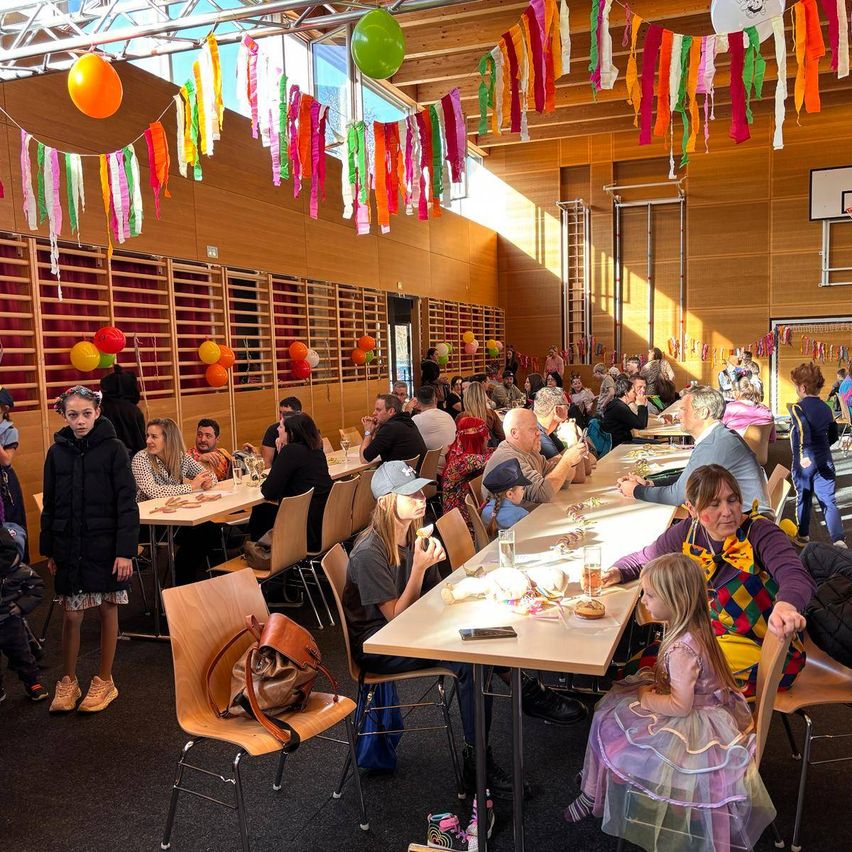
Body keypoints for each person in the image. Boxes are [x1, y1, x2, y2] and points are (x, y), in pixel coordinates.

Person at [564, 553, 776, 852]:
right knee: (612, 707)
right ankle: (593, 787)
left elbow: (680, 706)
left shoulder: (682, 649)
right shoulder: (695, 628)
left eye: (650, 594)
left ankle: (593, 792)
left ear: (675, 601)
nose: (644, 600)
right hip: (710, 707)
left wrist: (646, 698)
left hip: (693, 722)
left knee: (607, 719)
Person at [342, 461, 513, 796]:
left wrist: (442, 576)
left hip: (410, 630)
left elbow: (433, 597)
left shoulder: (412, 535)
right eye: (410, 493)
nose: (421, 497)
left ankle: (523, 691)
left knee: (487, 639)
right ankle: (476, 763)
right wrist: (420, 569)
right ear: (386, 502)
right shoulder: (369, 552)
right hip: (379, 647)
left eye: (420, 489)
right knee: (471, 661)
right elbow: (394, 619)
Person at [607, 464, 814, 698]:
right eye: (714, 504)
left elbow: (795, 574)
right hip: (713, 637)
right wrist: (616, 571)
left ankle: (697, 730)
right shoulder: (688, 532)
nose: (727, 511)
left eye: (732, 500)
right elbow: (646, 557)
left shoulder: (759, 532)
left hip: (765, 647)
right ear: (692, 509)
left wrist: (786, 605)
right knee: (638, 666)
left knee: (664, 674)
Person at [41, 386, 140, 713]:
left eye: (86, 413)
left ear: (97, 412)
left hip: (106, 544)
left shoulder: (114, 449)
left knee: (107, 608)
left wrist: (125, 550)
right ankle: (68, 681)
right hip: (70, 544)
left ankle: (104, 680)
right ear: (64, 416)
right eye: (73, 415)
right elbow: (51, 505)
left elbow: (127, 503)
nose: (80, 420)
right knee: (71, 614)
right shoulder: (56, 453)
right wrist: (50, 549)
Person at [617, 384, 772, 514]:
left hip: (744, 529)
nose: (678, 416)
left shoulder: (714, 444)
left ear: (703, 412)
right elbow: (690, 477)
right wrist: (650, 483)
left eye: (683, 410)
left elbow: (677, 496)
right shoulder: (718, 436)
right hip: (741, 517)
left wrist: (636, 491)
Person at [131, 418, 217, 585]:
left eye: (154, 437)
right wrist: (191, 487)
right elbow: (154, 492)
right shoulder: (141, 459)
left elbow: (208, 474)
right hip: (149, 522)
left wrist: (207, 481)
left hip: (177, 516)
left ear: (168, 439)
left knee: (209, 530)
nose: (148, 441)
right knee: (200, 533)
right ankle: (179, 586)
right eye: (147, 436)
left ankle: (182, 581)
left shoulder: (181, 457)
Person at [249, 413, 333, 552]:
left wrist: (282, 454)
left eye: (281, 427)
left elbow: (269, 491)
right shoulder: (316, 451)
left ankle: (260, 554)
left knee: (261, 510)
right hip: (323, 523)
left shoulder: (291, 451)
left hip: (302, 527)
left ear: (291, 432)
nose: (277, 430)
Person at [788, 363, 845, 548]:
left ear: (802, 388)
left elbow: (803, 428)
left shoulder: (798, 408)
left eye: (796, 386)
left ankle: (803, 536)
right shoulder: (826, 408)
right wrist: (823, 449)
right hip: (825, 459)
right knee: (828, 499)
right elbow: (834, 435)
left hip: (805, 462)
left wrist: (805, 453)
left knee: (804, 496)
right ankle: (838, 539)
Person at [482, 408, 586, 509]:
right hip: (514, 523)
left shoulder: (531, 451)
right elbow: (543, 493)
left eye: (538, 428)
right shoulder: (508, 459)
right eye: (533, 429)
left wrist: (572, 461)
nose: (539, 433)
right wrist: (566, 461)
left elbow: (563, 482)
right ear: (514, 433)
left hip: (534, 515)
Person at [0, 527, 47, 702]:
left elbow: (37, 589)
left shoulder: (21, 571)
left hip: (11, 621)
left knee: (22, 654)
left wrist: (21, 606)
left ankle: (32, 682)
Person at [441, 417, 493, 534]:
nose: (489, 438)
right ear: (476, 440)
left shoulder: (462, 452)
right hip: (462, 524)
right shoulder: (461, 461)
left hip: (473, 511)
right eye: (485, 435)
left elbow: (494, 452)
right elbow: (495, 457)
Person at [0, 387, 28, 561]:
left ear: (4, 409)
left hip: (4, 484)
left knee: (10, 525)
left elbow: (6, 461)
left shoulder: (10, 431)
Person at [360, 393, 427, 467]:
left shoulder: (390, 428)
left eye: (378, 410)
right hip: (417, 474)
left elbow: (364, 459)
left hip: (401, 476)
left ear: (391, 411)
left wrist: (368, 433)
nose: (374, 413)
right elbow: (376, 447)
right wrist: (375, 431)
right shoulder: (406, 421)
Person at [99, 365, 146, 455]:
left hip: (104, 457)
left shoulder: (99, 408)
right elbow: (140, 441)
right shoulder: (133, 411)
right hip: (131, 458)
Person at [411, 385, 457, 475]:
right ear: (435, 400)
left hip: (436, 473)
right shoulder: (447, 415)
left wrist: (408, 410)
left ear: (417, 403)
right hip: (453, 465)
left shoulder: (417, 420)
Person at [481, 459, 530, 536]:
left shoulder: (485, 511)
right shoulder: (520, 514)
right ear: (510, 494)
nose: (523, 491)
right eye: (522, 489)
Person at [602, 374, 648, 448]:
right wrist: (641, 405)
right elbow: (640, 425)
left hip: (625, 442)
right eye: (633, 391)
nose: (636, 394)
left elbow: (643, 424)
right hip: (620, 445)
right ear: (626, 393)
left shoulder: (619, 404)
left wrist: (644, 405)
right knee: (656, 444)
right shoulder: (619, 407)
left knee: (655, 443)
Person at [457, 381, 505, 447]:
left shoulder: (461, 417)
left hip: (467, 453)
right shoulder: (491, 414)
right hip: (488, 452)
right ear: (484, 397)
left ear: (466, 398)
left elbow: (456, 439)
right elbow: (502, 435)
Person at [260, 397, 302, 468]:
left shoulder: (305, 429)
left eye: (285, 413)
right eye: (280, 412)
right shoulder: (273, 430)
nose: (281, 416)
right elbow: (267, 462)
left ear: (297, 414)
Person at [533, 387, 570, 460]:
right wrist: (573, 441)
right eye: (567, 406)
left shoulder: (548, 432)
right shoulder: (539, 437)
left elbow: (592, 461)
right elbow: (570, 470)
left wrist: (578, 436)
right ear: (557, 410)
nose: (569, 409)